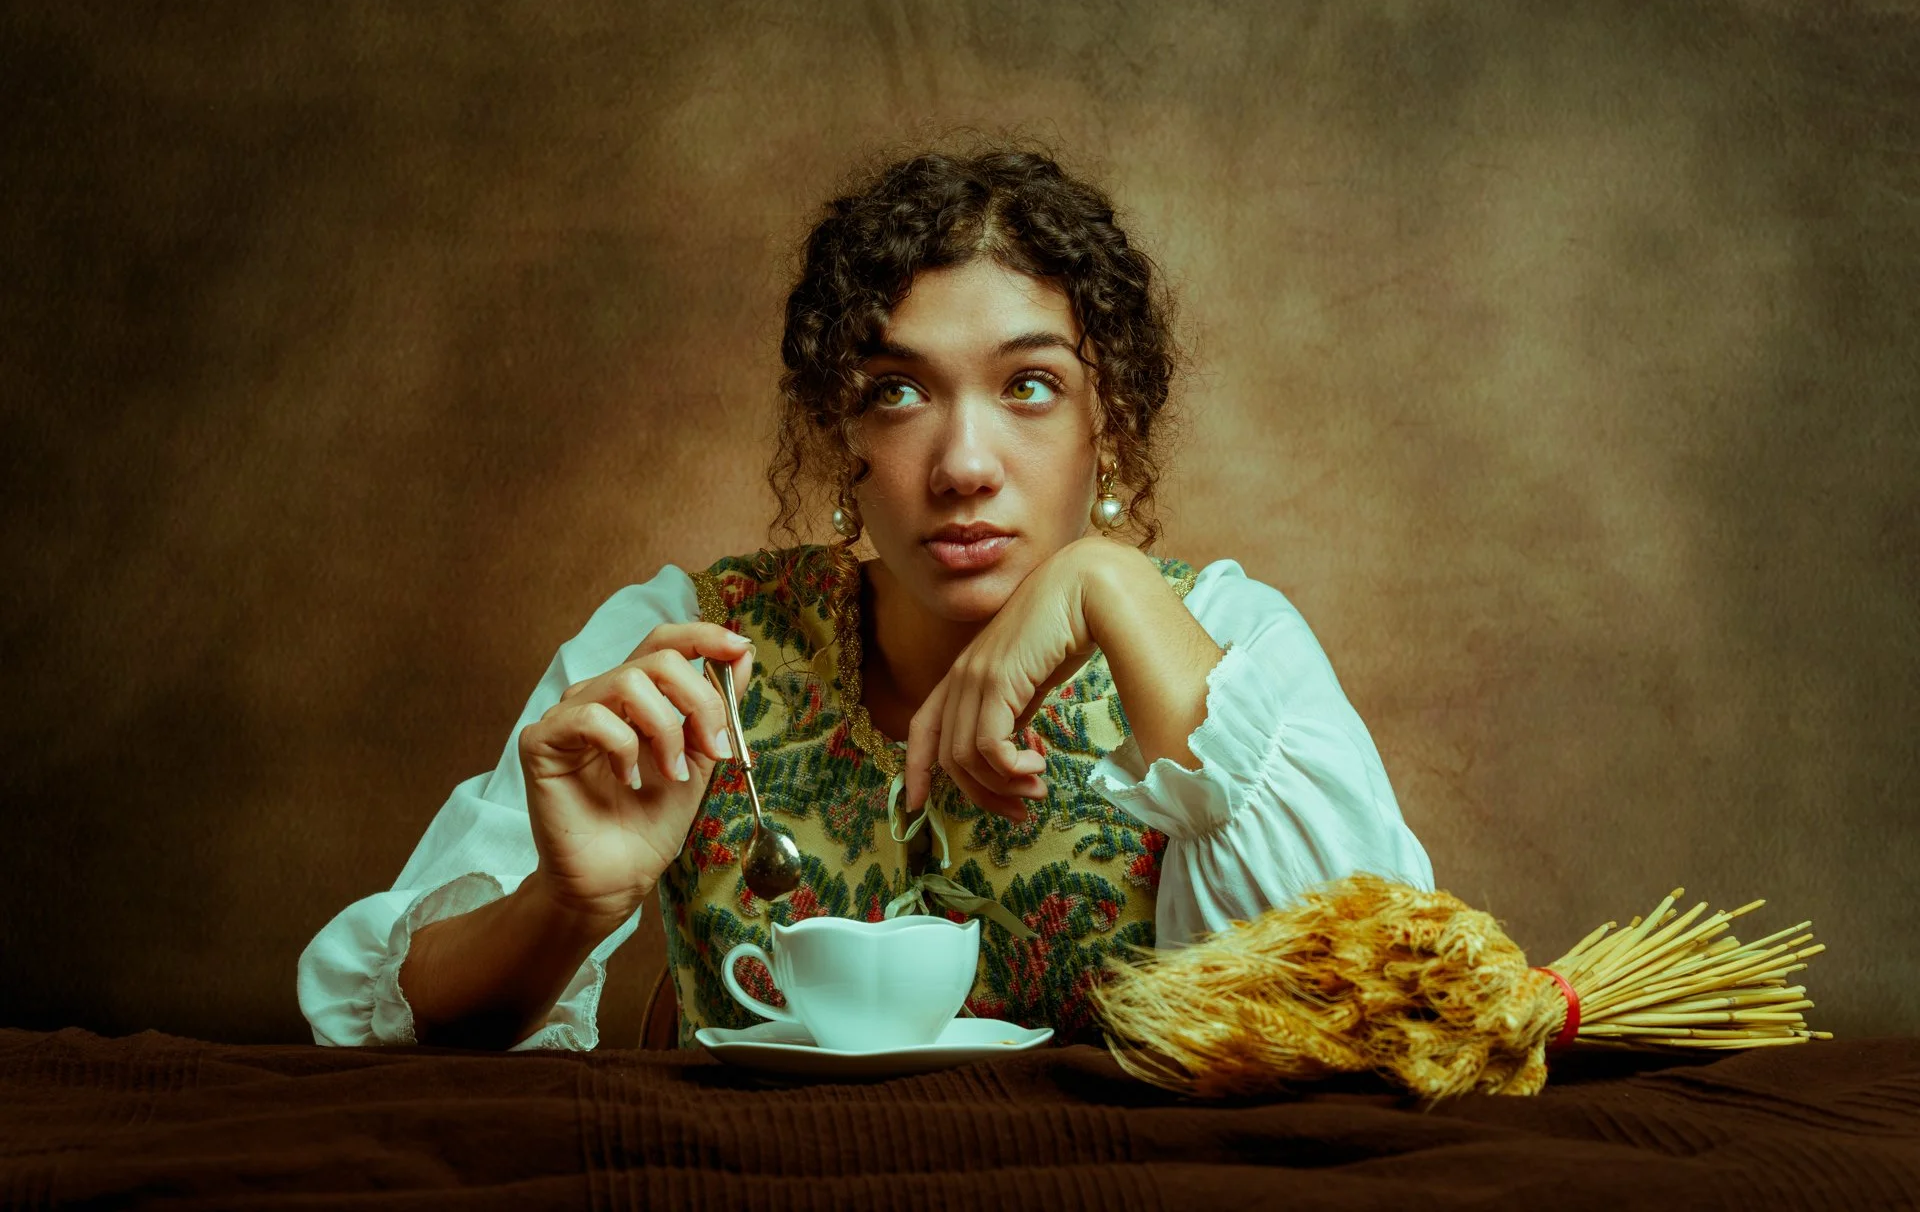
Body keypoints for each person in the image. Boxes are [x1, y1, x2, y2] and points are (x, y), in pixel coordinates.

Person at [297, 144, 1435, 1052]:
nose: (964, 464)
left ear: (1113, 422)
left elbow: (1387, 1005)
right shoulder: (689, 649)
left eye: (1030, 385)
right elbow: (384, 1022)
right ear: (841, 435)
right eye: (897, 391)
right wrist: (566, 905)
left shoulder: (1223, 646)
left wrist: (1109, 580)